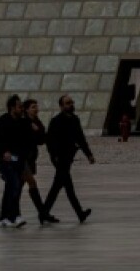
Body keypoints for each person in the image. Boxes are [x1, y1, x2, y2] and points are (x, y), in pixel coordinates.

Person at [42, 94, 94, 224]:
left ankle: (43, 213)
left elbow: (80, 138)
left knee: (58, 186)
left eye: (71, 102)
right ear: (61, 106)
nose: (71, 105)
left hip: (68, 158)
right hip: (59, 159)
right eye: (67, 103)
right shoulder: (56, 121)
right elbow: (50, 141)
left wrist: (88, 154)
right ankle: (79, 213)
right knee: (67, 187)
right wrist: (54, 156)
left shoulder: (75, 120)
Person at [0, 94, 29, 228]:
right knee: (14, 184)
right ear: (12, 107)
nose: (22, 109)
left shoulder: (23, 123)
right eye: (19, 106)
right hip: (4, 161)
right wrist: (3, 151)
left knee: (10, 187)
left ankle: (3, 217)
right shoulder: (1, 122)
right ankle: (14, 216)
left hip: (18, 161)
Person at [20, 99, 52, 224]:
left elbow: (42, 139)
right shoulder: (23, 122)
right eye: (33, 107)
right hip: (23, 158)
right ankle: (42, 213)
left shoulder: (37, 122)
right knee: (31, 183)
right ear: (26, 109)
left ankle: (42, 213)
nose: (36, 109)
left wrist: (36, 130)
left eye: (36, 107)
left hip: (31, 157)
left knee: (21, 185)